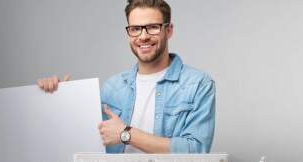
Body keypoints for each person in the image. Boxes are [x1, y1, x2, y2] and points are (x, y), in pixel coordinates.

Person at [37, 0, 215, 154]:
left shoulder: (198, 84)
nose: (143, 36)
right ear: (129, 32)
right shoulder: (112, 88)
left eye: (153, 27)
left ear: (168, 30)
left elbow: (196, 150)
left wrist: (127, 134)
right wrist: (60, 100)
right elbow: (86, 141)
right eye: (135, 29)